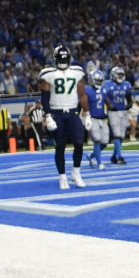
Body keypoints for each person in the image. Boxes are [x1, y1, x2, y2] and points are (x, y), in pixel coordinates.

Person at [38, 44, 89, 189]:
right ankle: (62, 176)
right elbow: (44, 97)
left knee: (79, 142)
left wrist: (88, 113)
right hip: (56, 113)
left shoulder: (77, 72)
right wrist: (48, 115)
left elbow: (82, 94)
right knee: (60, 145)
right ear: (55, 59)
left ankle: (76, 173)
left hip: (73, 112)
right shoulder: (48, 74)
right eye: (61, 58)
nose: (63, 61)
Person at [103, 66, 133, 164]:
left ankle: (113, 156)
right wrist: (110, 106)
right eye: (119, 74)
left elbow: (129, 96)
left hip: (122, 111)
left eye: (122, 74)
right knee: (116, 134)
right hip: (113, 112)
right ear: (113, 75)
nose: (120, 76)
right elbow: (105, 96)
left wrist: (129, 103)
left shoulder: (126, 84)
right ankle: (119, 157)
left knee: (121, 136)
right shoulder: (108, 84)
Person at [83, 69, 109, 170]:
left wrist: (111, 107)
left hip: (102, 119)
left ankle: (91, 155)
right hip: (92, 118)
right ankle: (99, 163)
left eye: (100, 81)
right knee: (97, 140)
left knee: (105, 142)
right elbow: (82, 102)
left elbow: (106, 100)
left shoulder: (104, 89)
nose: (99, 83)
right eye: (97, 81)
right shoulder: (87, 90)